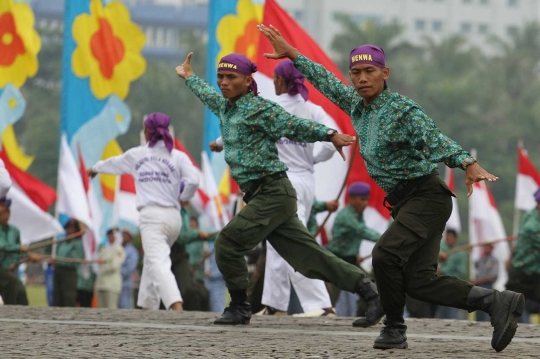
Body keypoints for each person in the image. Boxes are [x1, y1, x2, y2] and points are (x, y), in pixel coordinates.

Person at [258, 24, 524, 352]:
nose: (361, 78)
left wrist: (465, 162)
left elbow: (432, 136)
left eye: (369, 71)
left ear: (385, 73)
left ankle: (394, 328)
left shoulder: (401, 109)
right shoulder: (357, 105)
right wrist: (294, 54)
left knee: (384, 255)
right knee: (419, 282)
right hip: (407, 203)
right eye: (355, 72)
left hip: (426, 196)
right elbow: (325, 81)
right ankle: (497, 302)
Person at [176, 52, 378, 327]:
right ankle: (369, 290)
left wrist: (329, 135)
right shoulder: (227, 107)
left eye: (231, 77)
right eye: (221, 77)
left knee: (227, 242)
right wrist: (189, 76)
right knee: (310, 257)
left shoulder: (260, 108)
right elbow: (207, 95)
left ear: (248, 81)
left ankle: (239, 306)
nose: (223, 82)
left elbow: (293, 125)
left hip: (273, 192)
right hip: (267, 195)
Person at [210, 59, 338, 318]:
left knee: (294, 241)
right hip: (305, 179)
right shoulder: (313, 109)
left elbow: (238, 128)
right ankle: (275, 305)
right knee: (278, 241)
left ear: (281, 80)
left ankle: (321, 305)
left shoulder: (271, 107)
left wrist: (218, 143)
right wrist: (310, 160)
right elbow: (331, 139)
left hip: (279, 179)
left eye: (276, 78)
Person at [88, 112, 200, 311]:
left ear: (147, 131)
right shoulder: (177, 156)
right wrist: (183, 197)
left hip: (152, 217)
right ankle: (148, 307)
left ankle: (176, 305)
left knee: (158, 262)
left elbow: (114, 163)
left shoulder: (138, 154)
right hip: (174, 219)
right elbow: (193, 180)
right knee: (151, 259)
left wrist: (95, 168)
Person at [327, 182, 381, 323]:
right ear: (351, 198)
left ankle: (365, 315)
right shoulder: (347, 215)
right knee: (331, 294)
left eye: (367, 199)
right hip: (337, 260)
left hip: (350, 260)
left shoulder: (357, 214)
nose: (365, 203)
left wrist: (355, 253)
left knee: (369, 286)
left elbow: (353, 237)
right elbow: (361, 231)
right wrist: (385, 239)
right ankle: (323, 316)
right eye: (362, 199)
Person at [506, 189, 540, 324]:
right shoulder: (532, 225)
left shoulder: (531, 214)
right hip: (522, 273)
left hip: (536, 273)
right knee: (517, 305)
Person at [170, 203, 211, 311]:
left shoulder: (185, 212)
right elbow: (181, 236)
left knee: (189, 290)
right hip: (166, 252)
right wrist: (197, 234)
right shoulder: (173, 210)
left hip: (180, 255)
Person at [0, 196, 34, 305]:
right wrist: (19, 249)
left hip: (7, 271)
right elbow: (3, 246)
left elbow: (19, 254)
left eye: (8, 212)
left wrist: (28, 256)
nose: (6, 214)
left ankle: (20, 317)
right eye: (4, 210)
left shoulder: (14, 231)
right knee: (13, 283)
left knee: (20, 293)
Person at [435, 229, 468, 319]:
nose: (448, 240)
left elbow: (462, 271)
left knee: (452, 312)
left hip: (454, 285)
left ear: (455, 239)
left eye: (451, 238)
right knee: (441, 311)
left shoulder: (460, 253)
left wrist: (445, 269)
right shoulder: (442, 249)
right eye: (447, 238)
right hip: (442, 285)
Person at [53, 219, 85, 307]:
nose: (69, 230)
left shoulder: (78, 243)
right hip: (59, 270)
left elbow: (75, 259)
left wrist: (61, 260)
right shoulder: (62, 242)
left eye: (72, 228)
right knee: (57, 297)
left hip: (69, 272)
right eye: (68, 228)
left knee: (68, 297)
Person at [95, 228, 125, 309]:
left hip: (111, 285)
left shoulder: (119, 250)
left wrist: (103, 266)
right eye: (109, 236)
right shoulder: (104, 249)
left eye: (112, 236)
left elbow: (114, 265)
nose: (110, 238)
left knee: (111, 309)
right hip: (101, 284)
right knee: (100, 310)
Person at [473, 244, 499, 321]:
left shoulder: (494, 260)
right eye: (485, 247)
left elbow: (492, 277)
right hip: (479, 288)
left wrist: (479, 280)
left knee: (486, 312)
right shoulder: (481, 259)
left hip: (487, 288)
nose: (486, 249)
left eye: (488, 247)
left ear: (492, 248)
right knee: (478, 312)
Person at [118, 229, 139, 309]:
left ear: (129, 238)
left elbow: (129, 269)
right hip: (114, 285)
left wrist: (116, 273)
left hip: (125, 285)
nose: (122, 237)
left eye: (124, 235)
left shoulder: (132, 252)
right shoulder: (117, 248)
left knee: (125, 307)